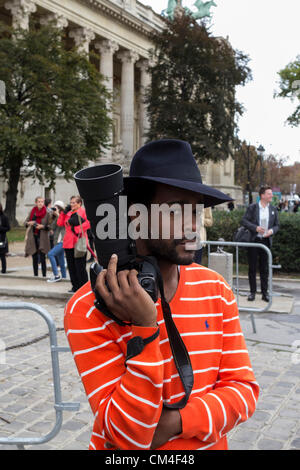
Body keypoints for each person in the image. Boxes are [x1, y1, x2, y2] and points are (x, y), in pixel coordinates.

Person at [64, 140, 259, 451]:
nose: (192, 225)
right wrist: (144, 327)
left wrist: (174, 423)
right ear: (134, 217)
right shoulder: (89, 307)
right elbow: (127, 435)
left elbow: (243, 392)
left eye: (196, 210)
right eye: (176, 210)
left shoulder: (216, 289)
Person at [242, 186, 279, 302]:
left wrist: (271, 231)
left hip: (266, 241)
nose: (271, 196)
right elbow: (244, 221)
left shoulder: (273, 209)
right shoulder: (253, 207)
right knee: (252, 268)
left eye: (271, 194)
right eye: (269, 194)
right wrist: (255, 228)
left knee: (265, 268)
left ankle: (264, 293)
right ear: (262, 195)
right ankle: (252, 292)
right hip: (254, 241)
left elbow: (277, 225)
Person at [57, 195, 90, 293]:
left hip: (79, 241)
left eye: (74, 202)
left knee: (80, 266)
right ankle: (75, 286)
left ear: (79, 203)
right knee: (71, 266)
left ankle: (83, 288)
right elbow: (59, 223)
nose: (71, 204)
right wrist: (63, 213)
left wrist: (75, 228)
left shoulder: (83, 212)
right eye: (70, 202)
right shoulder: (68, 213)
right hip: (68, 243)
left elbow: (88, 224)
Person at [24, 197, 51, 277]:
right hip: (33, 237)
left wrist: (42, 226)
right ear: (36, 202)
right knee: (34, 256)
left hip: (42, 237)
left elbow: (50, 226)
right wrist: (30, 223)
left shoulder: (47, 213)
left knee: (43, 257)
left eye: (42, 202)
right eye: (39, 202)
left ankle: (44, 275)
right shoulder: (32, 211)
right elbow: (25, 222)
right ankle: (35, 274)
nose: (40, 203)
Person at [47, 200, 67, 283]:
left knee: (50, 254)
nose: (56, 209)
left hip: (62, 240)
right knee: (61, 260)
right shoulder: (55, 216)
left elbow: (63, 223)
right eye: (55, 207)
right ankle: (64, 277)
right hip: (57, 241)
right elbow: (52, 227)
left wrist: (58, 214)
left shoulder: (64, 215)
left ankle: (56, 275)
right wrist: (52, 215)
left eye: (58, 207)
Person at [0, 203, 10, 274]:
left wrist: (1, 228)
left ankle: (4, 270)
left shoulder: (4, 217)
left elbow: (8, 228)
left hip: (1, 239)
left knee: (2, 254)